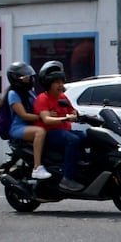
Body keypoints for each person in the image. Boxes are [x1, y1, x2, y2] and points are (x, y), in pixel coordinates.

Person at [34, 61, 85, 193]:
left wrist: (78, 115)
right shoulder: (42, 99)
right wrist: (66, 118)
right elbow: (46, 119)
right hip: (51, 133)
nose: (60, 85)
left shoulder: (63, 97)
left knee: (88, 136)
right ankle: (67, 179)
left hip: (64, 131)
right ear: (49, 84)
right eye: (57, 82)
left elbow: (73, 111)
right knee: (73, 140)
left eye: (61, 82)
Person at [3, 62, 50, 179]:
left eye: (29, 76)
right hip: (19, 127)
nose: (28, 79)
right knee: (40, 132)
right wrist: (42, 117)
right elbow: (24, 115)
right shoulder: (13, 94)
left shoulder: (30, 92)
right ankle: (37, 168)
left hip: (31, 125)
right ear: (15, 78)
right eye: (25, 77)